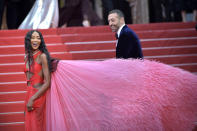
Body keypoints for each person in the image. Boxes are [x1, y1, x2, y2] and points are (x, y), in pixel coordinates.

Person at [24, 30, 197, 131]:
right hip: (30, 93)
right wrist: (29, 94)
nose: (36, 40)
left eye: (38, 38)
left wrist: (33, 97)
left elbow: (46, 82)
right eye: (33, 38)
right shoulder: (28, 57)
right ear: (28, 40)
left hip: (38, 96)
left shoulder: (42, 57)